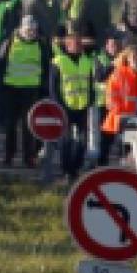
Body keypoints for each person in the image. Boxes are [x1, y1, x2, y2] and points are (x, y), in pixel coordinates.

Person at [0, 16, 53, 168]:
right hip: (11, 89)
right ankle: (9, 155)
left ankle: (29, 157)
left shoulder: (41, 45)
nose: (30, 33)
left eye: (33, 30)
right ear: (21, 29)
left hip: (32, 90)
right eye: (28, 30)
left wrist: (44, 88)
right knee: (10, 125)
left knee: (29, 126)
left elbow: (47, 67)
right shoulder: (9, 43)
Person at [100, 46, 137, 166]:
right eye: (134, 58)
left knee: (131, 148)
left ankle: (127, 168)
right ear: (127, 59)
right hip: (118, 117)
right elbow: (110, 94)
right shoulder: (119, 74)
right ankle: (102, 169)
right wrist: (118, 110)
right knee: (107, 146)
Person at [50, 30, 96, 179]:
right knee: (66, 140)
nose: (76, 46)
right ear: (67, 45)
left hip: (82, 106)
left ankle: (75, 168)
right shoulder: (59, 61)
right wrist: (58, 104)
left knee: (82, 141)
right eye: (73, 43)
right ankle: (66, 170)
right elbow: (53, 86)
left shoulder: (86, 61)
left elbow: (90, 82)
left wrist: (91, 100)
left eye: (78, 43)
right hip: (65, 106)